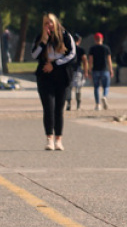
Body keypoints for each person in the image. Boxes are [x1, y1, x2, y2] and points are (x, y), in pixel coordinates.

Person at [31, 13, 76, 151]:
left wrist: (55, 64)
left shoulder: (65, 36)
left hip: (61, 76)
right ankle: (49, 138)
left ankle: (59, 140)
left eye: (50, 22)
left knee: (59, 109)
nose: (48, 25)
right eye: (45, 23)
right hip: (45, 77)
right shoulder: (40, 37)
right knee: (48, 108)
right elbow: (34, 55)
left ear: (55, 23)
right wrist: (43, 42)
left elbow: (72, 54)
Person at [88, 33, 113, 110]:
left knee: (96, 87)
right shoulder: (106, 48)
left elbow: (90, 60)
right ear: (102, 39)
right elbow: (109, 60)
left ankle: (97, 104)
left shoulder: (92, 48)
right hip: (104, 69)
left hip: (95, 70)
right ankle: (104, 96)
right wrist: (111, 69)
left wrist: (89, 70)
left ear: (95, 39)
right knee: (106, 86)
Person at [66, 33, 87, 111]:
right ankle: (78, 104)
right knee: (78, 88)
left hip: (68, 69)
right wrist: (86, 71)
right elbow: (85, 61)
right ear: (79, 40)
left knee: (69, 87)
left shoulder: (68, 49)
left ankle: (68, 103)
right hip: (77, 70)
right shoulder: (81, 50)